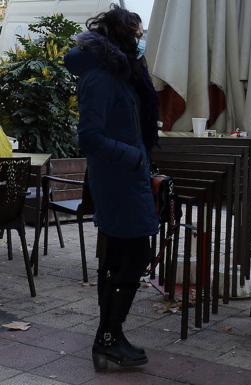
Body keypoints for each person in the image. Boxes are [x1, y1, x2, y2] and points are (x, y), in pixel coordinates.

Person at [64, 5, 159, 371]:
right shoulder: (101, 76)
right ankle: (107, 337)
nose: (140, 41)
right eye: (136, 34)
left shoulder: (118, 73)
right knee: (132, 256)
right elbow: (89, 136)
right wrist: (134, 156)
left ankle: (109, 337)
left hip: (124, 177)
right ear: (119, 36)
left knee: (121, 257)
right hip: (118, 179)